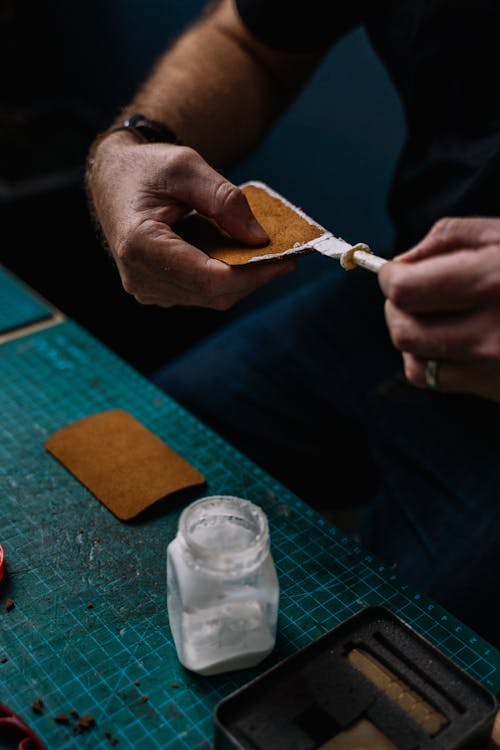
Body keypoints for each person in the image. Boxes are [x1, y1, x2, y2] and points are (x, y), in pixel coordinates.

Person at [85, 0, 500, 647]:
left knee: (414, 665)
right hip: (398, 300)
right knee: (133, 450)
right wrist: (133, 144)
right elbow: (249, 41)